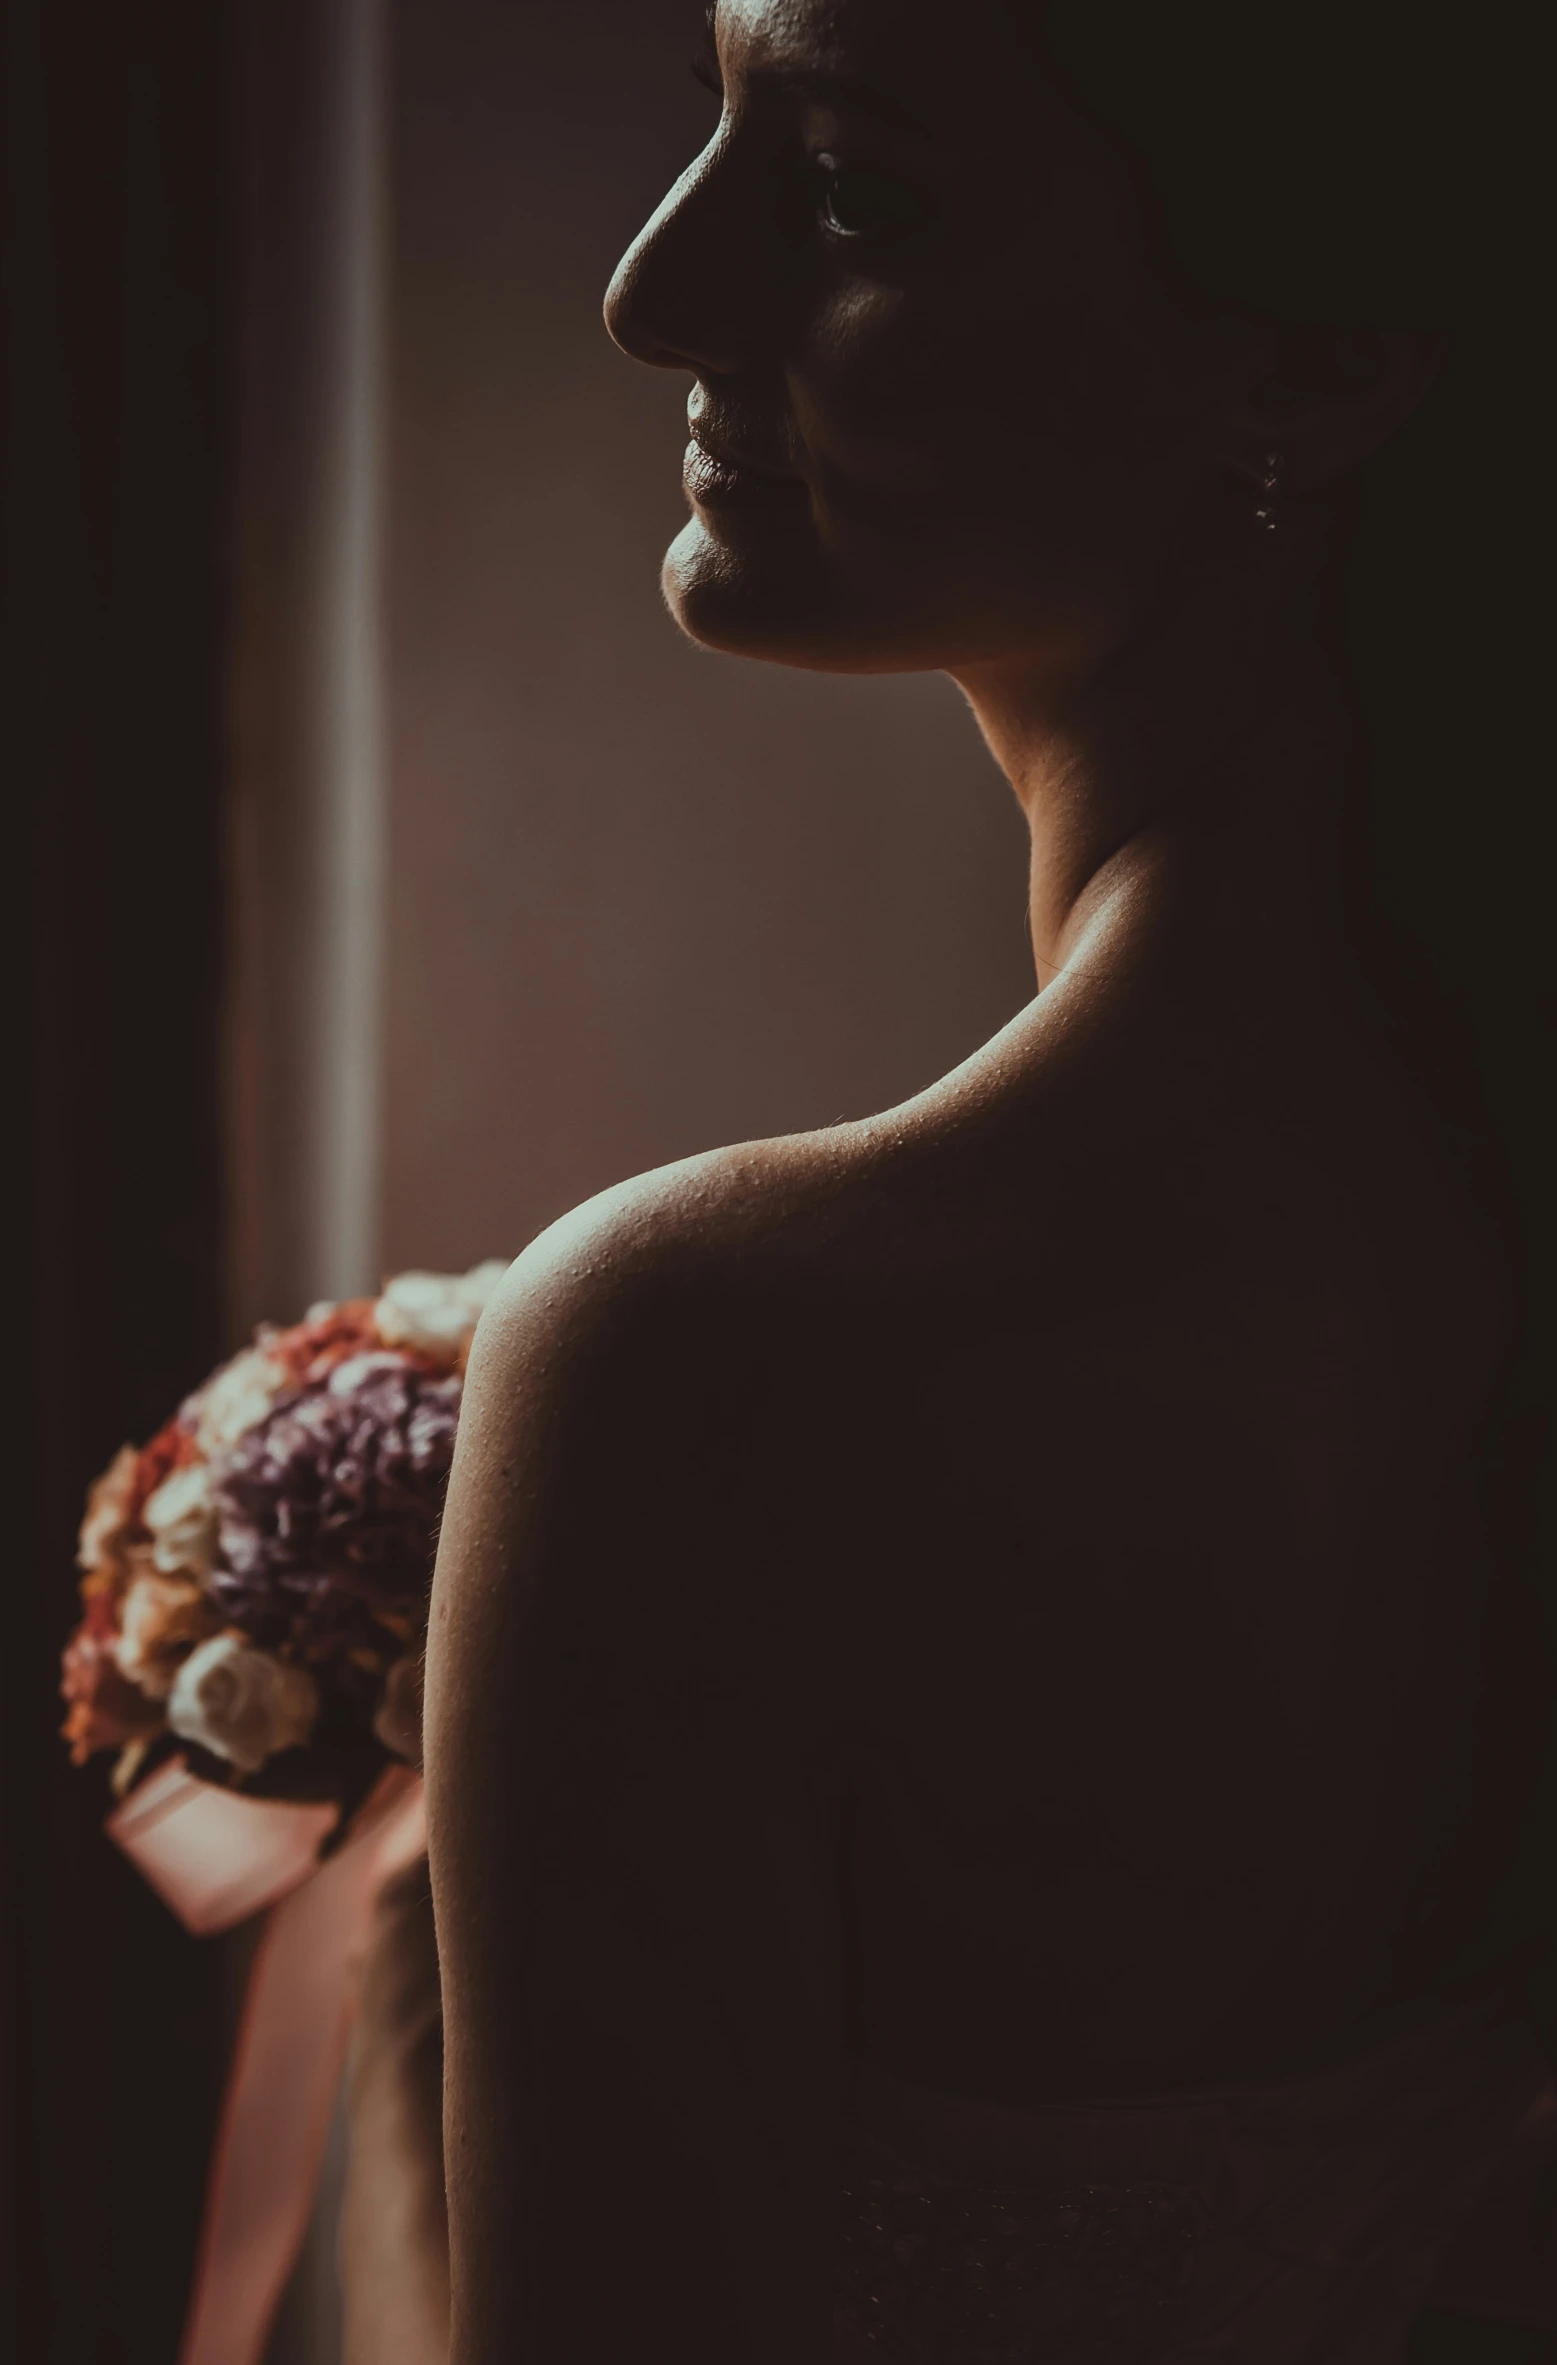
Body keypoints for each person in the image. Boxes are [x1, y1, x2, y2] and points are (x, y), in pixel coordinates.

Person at [347, 4, 1551, 2359]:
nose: (656, 284)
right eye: (712, 122)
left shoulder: (713, 1373)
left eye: (853, 190)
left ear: (1312, 365)